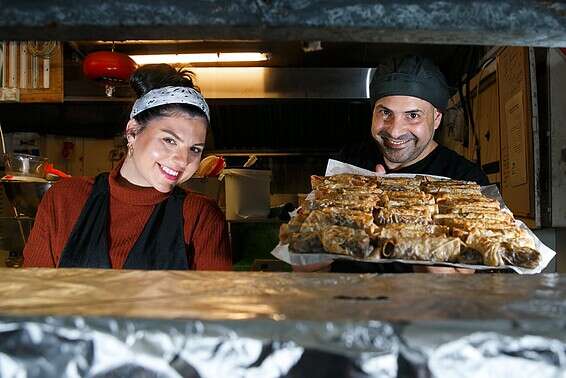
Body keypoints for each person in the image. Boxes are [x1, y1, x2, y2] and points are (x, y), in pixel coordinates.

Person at [23, 64, 232, 270]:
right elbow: (32, 296)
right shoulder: (64, 200)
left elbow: (215, 302)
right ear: (132, 132)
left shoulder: (201, 216)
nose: (182, 160)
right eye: (169, 140)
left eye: (195, 149)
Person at [310, 55, 488, 274]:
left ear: (437, 118)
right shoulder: (344, 167)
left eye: (412, 115)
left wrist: (460, 284)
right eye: (385, 113)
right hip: (351, 302)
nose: (395, 131)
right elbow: (313, 267)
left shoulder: (466, 181)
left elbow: (492, 283)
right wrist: (310, 264)